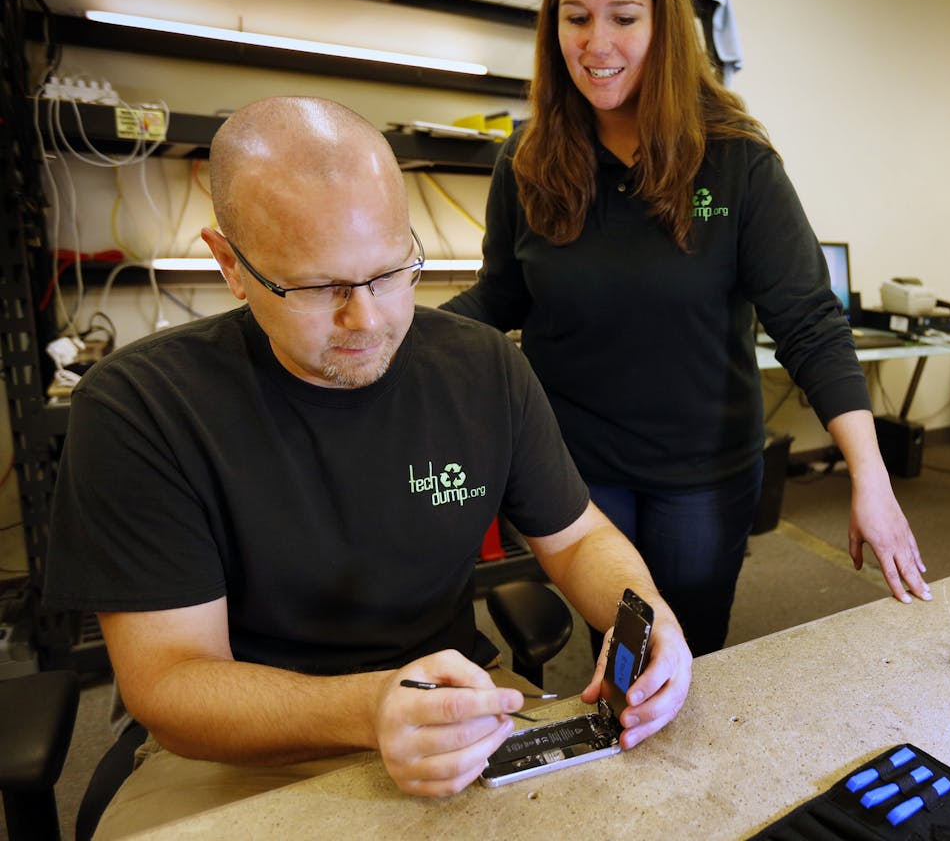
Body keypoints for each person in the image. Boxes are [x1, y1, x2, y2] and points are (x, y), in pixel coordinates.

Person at [42, 96, 692, 837]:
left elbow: (577, 538)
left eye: (391, 272)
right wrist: (371, 707)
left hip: (459, 706)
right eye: (320, 288)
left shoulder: (483, 367)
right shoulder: (140, 407)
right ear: (230, 264)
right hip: (237, 747)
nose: (370, 319)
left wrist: (646, 614)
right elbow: (171, 682)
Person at [442, 0, 931, 656]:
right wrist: (403, 337)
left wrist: (871, 478)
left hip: (701, 475)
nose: (596, 43)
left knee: (692, 649)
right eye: (576, 17)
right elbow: (502, 298)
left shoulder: (735, 159)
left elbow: (808, 321)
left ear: (663, 23)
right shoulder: (529, 159)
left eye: (624, 18)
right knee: (620, 644)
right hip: (575, 467)